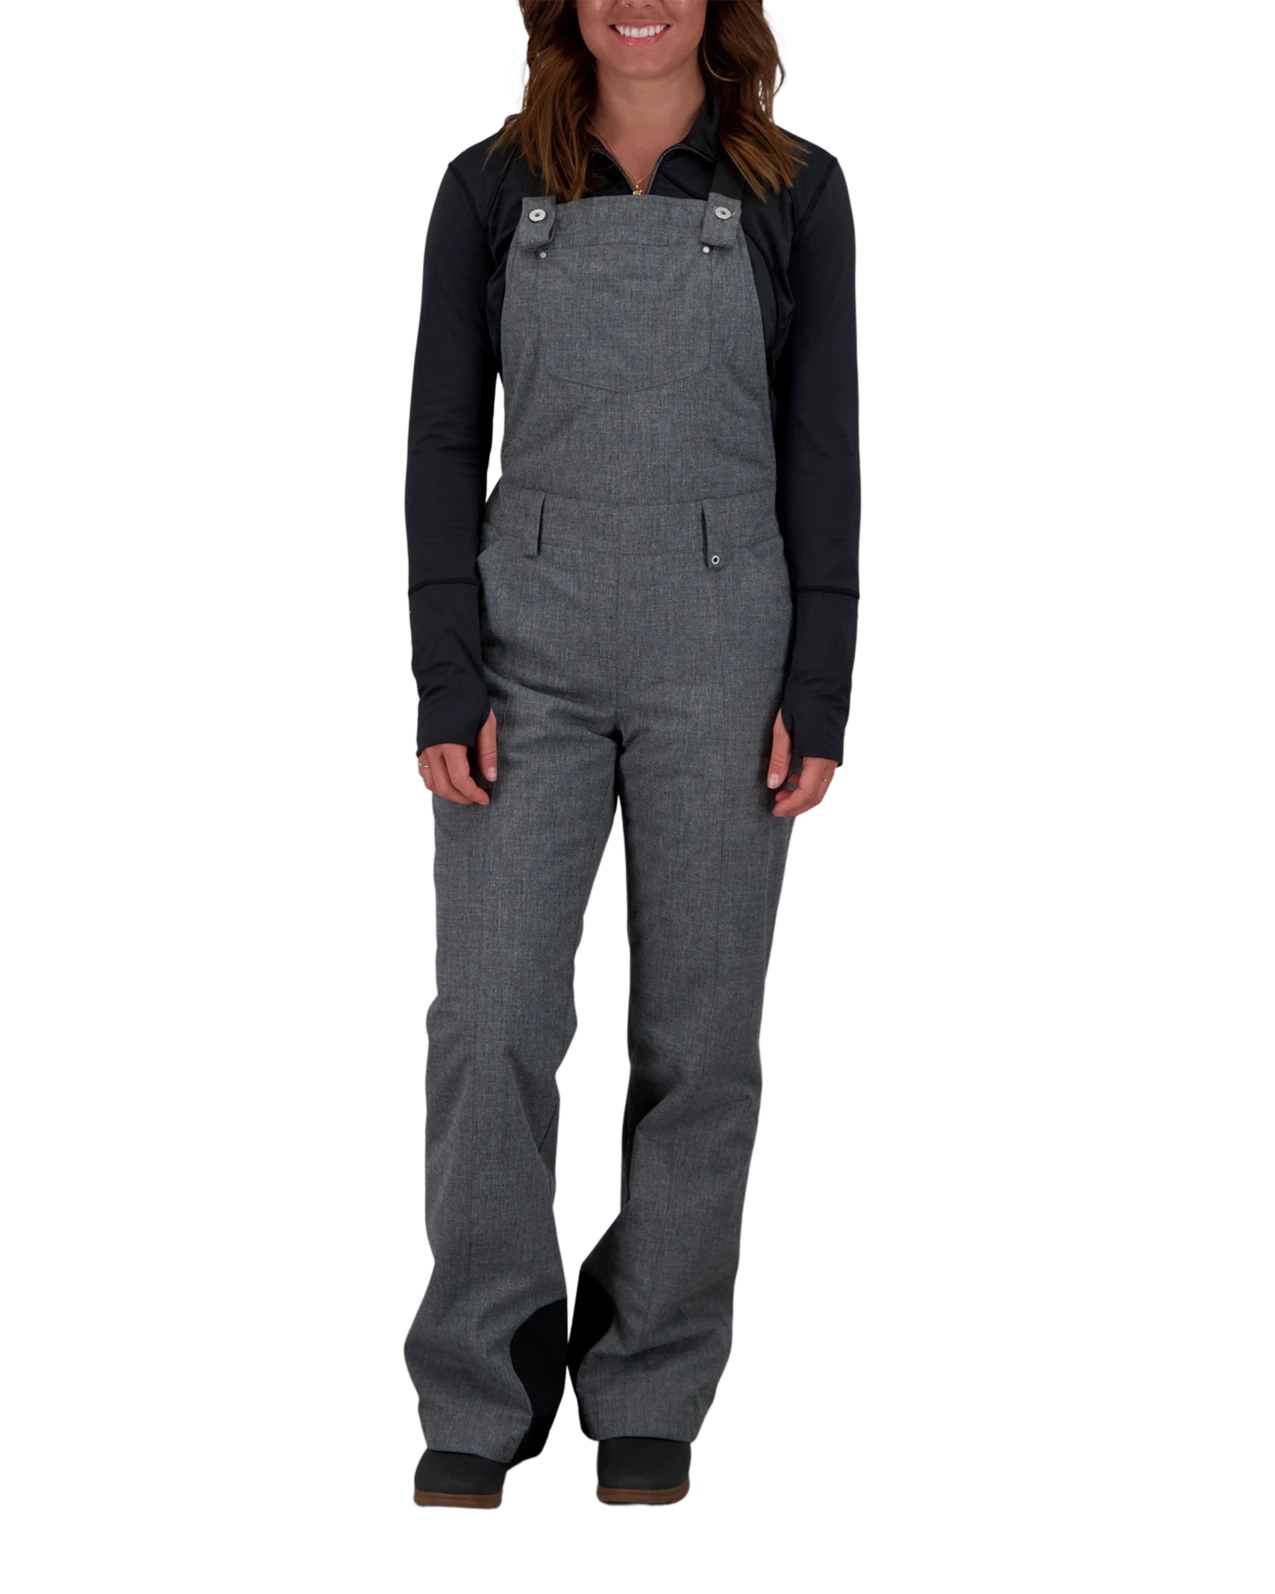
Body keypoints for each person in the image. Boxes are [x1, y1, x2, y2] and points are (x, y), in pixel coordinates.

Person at [405, 0, 859, 1511]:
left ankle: (654, 1372)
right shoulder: (491, 185)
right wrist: (447, 672)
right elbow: (440, 434)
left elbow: (822, 443)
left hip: (728, 643)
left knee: (700, 1036)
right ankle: (483, 1374)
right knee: (490, 1023)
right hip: (521, 642)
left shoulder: (793, 188)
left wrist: (815, 681)